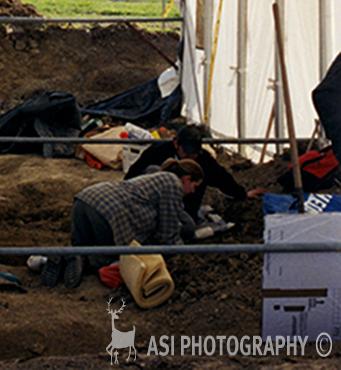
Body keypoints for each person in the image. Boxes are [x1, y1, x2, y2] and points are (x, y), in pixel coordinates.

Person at [42, 159, 204, 289]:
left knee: (80, 248)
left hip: (86, 199)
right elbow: (167, 234)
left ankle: (55, 258)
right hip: (108, 211)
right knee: (104, 258)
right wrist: (180, 250)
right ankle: (82, 260)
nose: (192, 192)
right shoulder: (173, 184)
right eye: (194, 186)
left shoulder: (155, 176)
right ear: (186, 179)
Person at [124, 124, 265, 219]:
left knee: (188, 228)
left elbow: (221, 177)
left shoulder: (204, 160)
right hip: (152, 204)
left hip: (184, 208)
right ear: (176, 144)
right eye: (186, 152)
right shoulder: (158, 152)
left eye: (194, 153)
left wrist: (242, 194)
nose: (190, 156)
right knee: (152, 170)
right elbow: (134, 172)